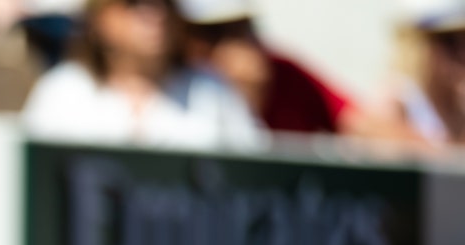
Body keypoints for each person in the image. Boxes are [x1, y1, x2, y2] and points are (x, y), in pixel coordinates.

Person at [21, 0, 263, 150]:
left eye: (166, 2)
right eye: (135, 3)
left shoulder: (212, 91)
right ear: (99, 18)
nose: (156, 13)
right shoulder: (63, 93)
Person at [177, 0, 363, 135]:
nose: (242, 44)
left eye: (245, 28)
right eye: (216, 33)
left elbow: (355, 121)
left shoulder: (286, 73)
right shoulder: (169, 91)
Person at [370, 0, 465, 149]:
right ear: (419, 44)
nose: (461, 52)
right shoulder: (397, 100)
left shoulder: (458, 104)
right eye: (449, 41)